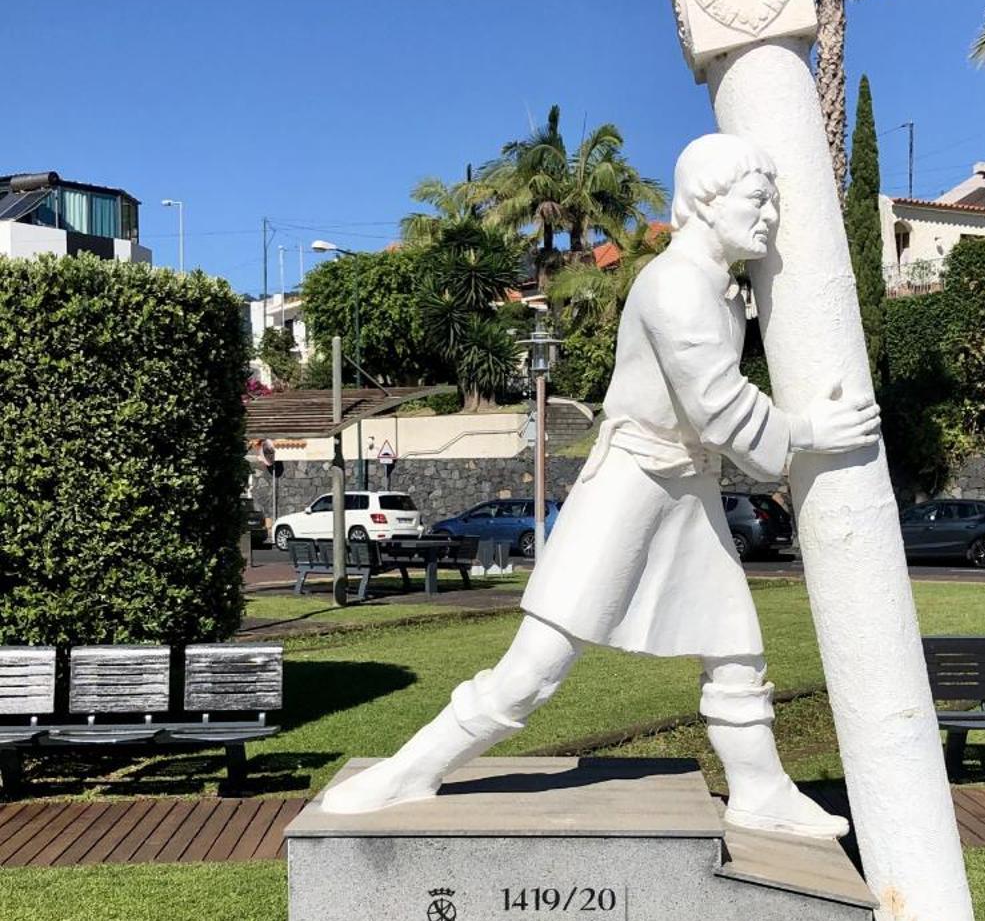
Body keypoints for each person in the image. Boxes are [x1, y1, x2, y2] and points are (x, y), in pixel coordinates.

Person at [324, 132, 880, 833]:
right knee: (535, 670)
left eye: (773, 200)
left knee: (736, 647)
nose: (770, 215)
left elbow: (713, 414)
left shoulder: (715, 286)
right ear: (706, 203)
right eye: (757, 199)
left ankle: (760, 789)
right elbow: (717, 404)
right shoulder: (676, 286)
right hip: (631, 484)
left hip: (685, 485)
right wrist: (807, 432)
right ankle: (410, 770)